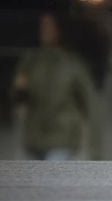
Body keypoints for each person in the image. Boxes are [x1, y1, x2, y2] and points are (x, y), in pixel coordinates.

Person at [13, 12, 99, 162]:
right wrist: (20, 90)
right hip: (34, 137)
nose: (46, 31)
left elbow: (89, 102)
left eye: (50, 26)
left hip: (63, 136)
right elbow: (18, 98)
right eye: (43, 26)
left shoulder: (73, 63)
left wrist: (96, 150)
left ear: (60, 29)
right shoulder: (31, 60)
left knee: (51, 179)